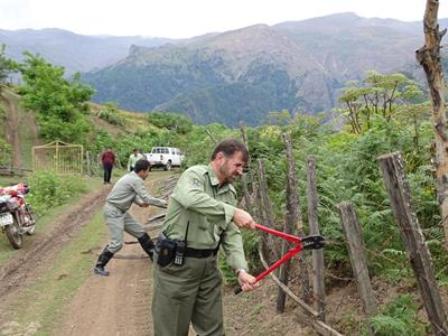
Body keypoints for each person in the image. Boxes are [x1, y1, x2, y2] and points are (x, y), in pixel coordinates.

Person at [152, 138, 258, 336]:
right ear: (220, 158)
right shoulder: (194, 176)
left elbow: (231, 233)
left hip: (208, 269)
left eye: (243, 167)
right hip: (177, 268)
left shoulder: (229, 191)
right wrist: (233, 212)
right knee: (171, 330)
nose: (240, 171)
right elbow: (192, 199)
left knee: (214, 331)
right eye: (237, 165)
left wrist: (240, 269)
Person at [94, 159, 167, 276]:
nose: (148, 174)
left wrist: (139, 203)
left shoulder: (130, 177)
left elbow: (131, 194)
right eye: (148, 171)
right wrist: (166, 203)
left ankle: (154, 257)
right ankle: (99, 266)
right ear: (142, 171)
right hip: (113, 212)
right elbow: (147, 198)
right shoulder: (136, 180)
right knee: (117, 243)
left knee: (141, 233)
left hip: (121, 211)